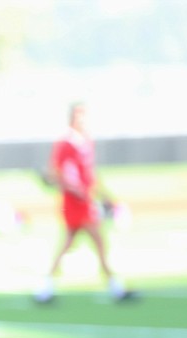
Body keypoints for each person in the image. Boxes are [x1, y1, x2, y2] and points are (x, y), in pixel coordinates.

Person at [35, 101, 134, 304]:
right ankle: (116, 287)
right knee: (95, 241)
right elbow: (56, 172)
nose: (83, 119)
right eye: (80, 115)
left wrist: (105, 196)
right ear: (72, 116)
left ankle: (46, 288)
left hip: (86, 200)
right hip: (75, 202)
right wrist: (73, 188)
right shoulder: (65, 142)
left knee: (72, 243)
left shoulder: (86, 141)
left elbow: (90, 174)